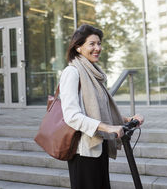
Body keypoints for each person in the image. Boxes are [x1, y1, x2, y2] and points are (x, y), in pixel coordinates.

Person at [59, 24, 144, 189]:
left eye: (99, 43)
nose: (97, 48)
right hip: (84, 150)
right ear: (78, 47)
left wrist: (126, 119)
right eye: (91, 44)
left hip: (98, 145)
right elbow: (71, 116)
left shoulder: (93, 74)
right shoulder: (72, 72)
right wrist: (107, 128)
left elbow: (101, 109)